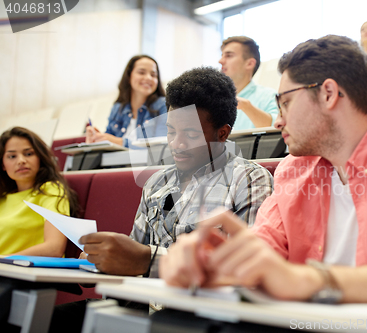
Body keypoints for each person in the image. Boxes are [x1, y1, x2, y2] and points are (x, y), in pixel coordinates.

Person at [159, 35, 367, 304]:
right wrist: (208, 264)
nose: (277, 121)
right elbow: (263, 254)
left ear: (328, 94)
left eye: (285, 103)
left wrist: (310, 280)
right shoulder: (292, 170)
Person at [78, 67, 273, 277]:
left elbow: (244, 266)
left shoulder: (250, 180)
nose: (177, 144)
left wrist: (148, 260)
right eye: (171, 131)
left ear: (222, 133)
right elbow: (133, 256)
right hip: (141, 302)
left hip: (199, 306)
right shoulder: (156, 182)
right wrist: (105, 261)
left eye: (190, 134)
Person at [0, 127, 79, 256]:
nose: (21, 161)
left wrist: (4, 261)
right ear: (3, 164)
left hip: (23, 271)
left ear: (40, 158)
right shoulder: (3, 197)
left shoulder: (51, 189)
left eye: (28, 154)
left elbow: (54, 248)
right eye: (12, 156)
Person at [85, 55, 168, 148]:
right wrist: (97, 138)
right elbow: (109, 139)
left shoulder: (163, 105)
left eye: (153, 75)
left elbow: (160, 146)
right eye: (141, 72)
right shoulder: (118, 108)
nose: (148, 78)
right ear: (129, 76)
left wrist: (119, 142)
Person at [219, 36, 278, 130]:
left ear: (250, 64)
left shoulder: (269, 97)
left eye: (229, 55)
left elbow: (277, 129)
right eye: (222, 55)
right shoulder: (214, 99)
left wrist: (246, 107)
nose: (220, 61)